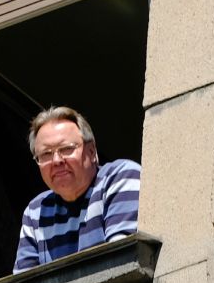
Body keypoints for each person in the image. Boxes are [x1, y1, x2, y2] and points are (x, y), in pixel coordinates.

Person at [13, 106, 141, 273]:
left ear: (91, 151)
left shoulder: (119, 178)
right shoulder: (36, 211)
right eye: (46, 154)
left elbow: (121, 265)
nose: (56, 160)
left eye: (66, 149)